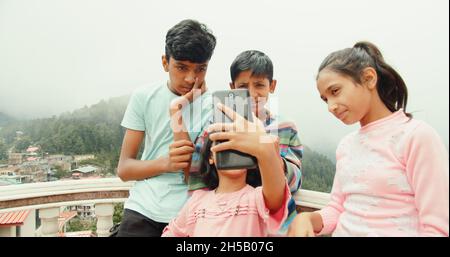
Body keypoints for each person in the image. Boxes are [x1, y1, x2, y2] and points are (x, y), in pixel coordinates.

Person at [288, 41, 449, 237]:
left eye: (335, 91)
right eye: (325, 99)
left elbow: (437, 228)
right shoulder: (346, 145)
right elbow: (338, 208)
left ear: (369, 78)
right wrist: (307, 219)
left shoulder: (416, 136)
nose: (331, 106)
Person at [182, 50, 303, 233]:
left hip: (273, 226)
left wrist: (266, 150)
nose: (252, 93)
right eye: (243, 86)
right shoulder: (215, 128)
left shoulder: (285, 127)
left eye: (260, 85)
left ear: (272, 85)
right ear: (232, 87)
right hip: (228, 226)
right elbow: (198, 179)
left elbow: (294, 182)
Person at [115, 19, 216, 237]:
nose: (191, 78)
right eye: (181, 67)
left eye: (201, 69)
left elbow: (195, 177)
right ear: (165, 63)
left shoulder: (214, 106)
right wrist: (166, 163)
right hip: (142, 209)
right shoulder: (144, 97)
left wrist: (177, 112)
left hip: (191, 213)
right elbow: (124, 169)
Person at [162, 103, 291, 236]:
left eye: (240, 144)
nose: (232, 148)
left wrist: (264, 147)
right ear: (211, 156)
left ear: (252, 155)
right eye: (224, 141)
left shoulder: (257, 199)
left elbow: (276, 196)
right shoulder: (197, 201)